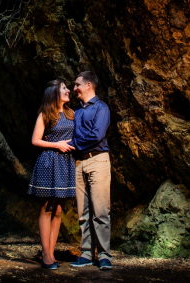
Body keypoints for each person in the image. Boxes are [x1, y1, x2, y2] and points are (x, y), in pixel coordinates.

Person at [27, 79, 76, 270]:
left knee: (58, 210)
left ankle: (52, 252)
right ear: (55, 93)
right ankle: (46, 254)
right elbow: (35, 140)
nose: (68, 90)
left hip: (65, 163)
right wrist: (57, 144)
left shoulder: (71, 114)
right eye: (64, 88)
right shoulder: (46, 113)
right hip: (49, 162)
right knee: (47, 208)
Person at [68, 71, 113, 271]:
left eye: (77, 84)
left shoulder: (101, 108)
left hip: (98, 160)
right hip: (79, 163)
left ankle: (104, 256)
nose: (74, 88)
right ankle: (86, 253)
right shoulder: (76, 111)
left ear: (88, 86)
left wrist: (73, 144)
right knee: (83, 212)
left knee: (101, 210)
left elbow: (96, 135)